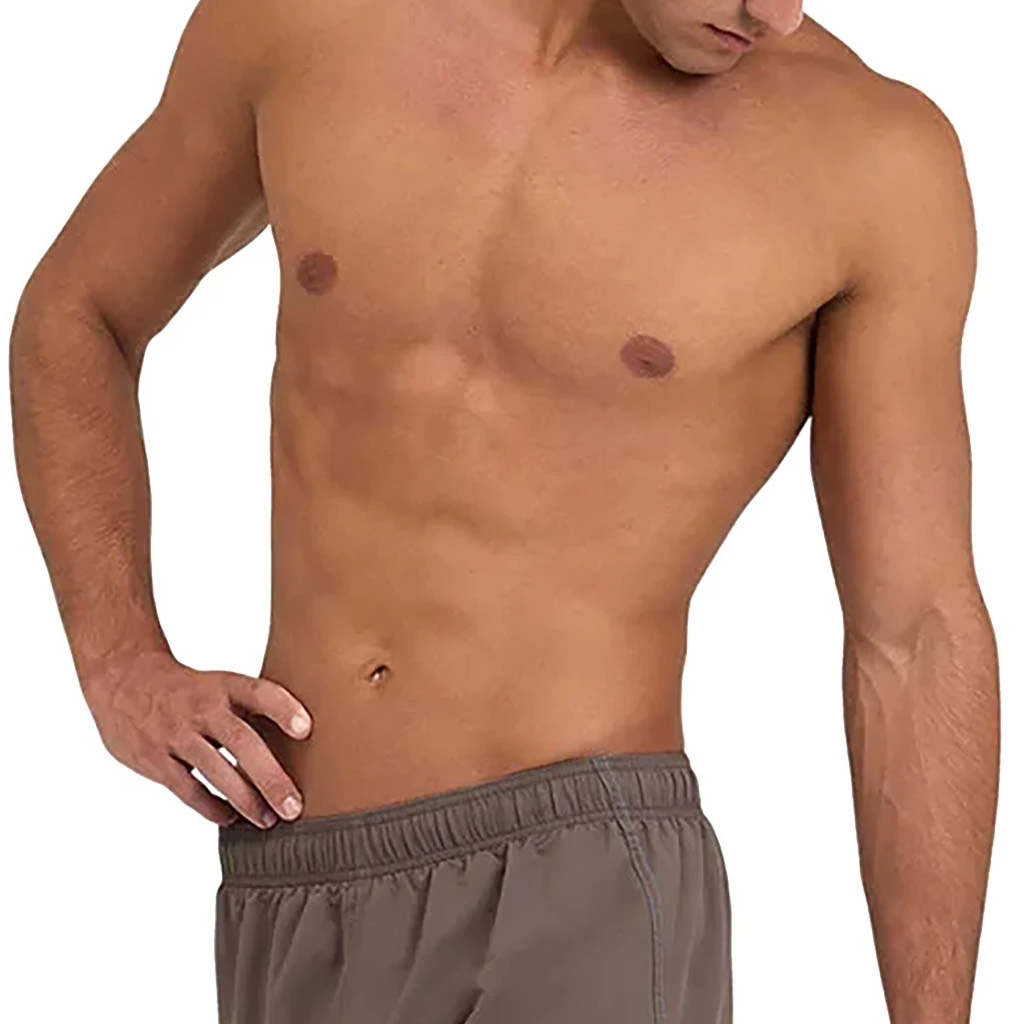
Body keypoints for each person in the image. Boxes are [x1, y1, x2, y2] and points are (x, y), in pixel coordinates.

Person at [9, 0, 1000, 1021]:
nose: (775, 14)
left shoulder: (869, 159)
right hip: (292, 864)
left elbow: (914, 634)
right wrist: (117, 657)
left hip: (582, 875)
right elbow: (79, 314)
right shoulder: (304, 24)